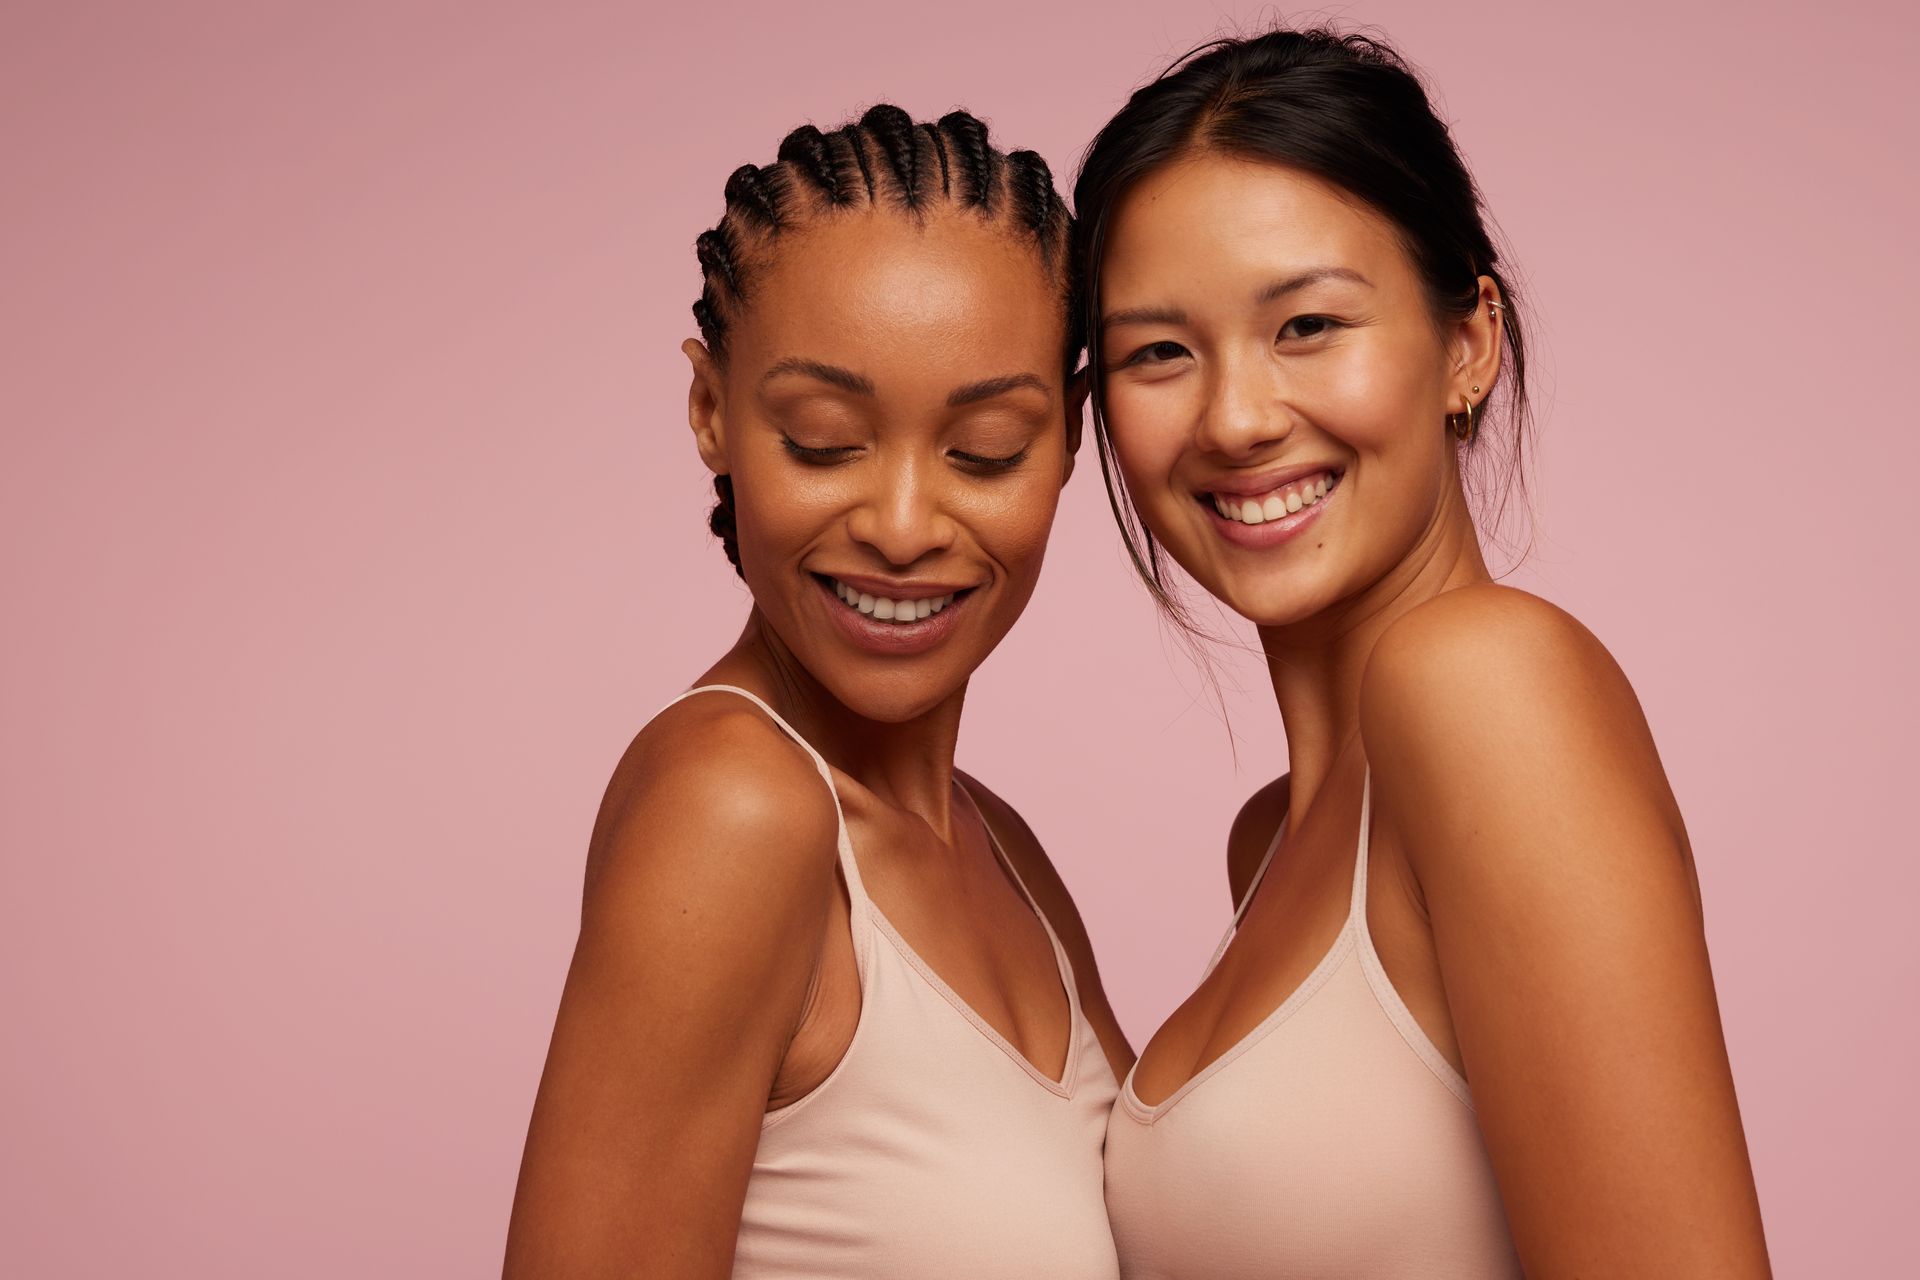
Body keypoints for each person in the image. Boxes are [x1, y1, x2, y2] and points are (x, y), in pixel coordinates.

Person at [1074, 30, 1770, 1277]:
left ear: (1468, 343)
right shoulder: (1275, 838)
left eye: (1307, 324)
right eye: (1158, 352)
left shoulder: (1486, 684)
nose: (1235, 417)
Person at [505, 104, 1130, 1278]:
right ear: (712, 412)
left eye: (987, 447)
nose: (901, 526)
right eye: (824, 437)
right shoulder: (732, 805)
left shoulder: (1006, 852)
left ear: (1070, 441)